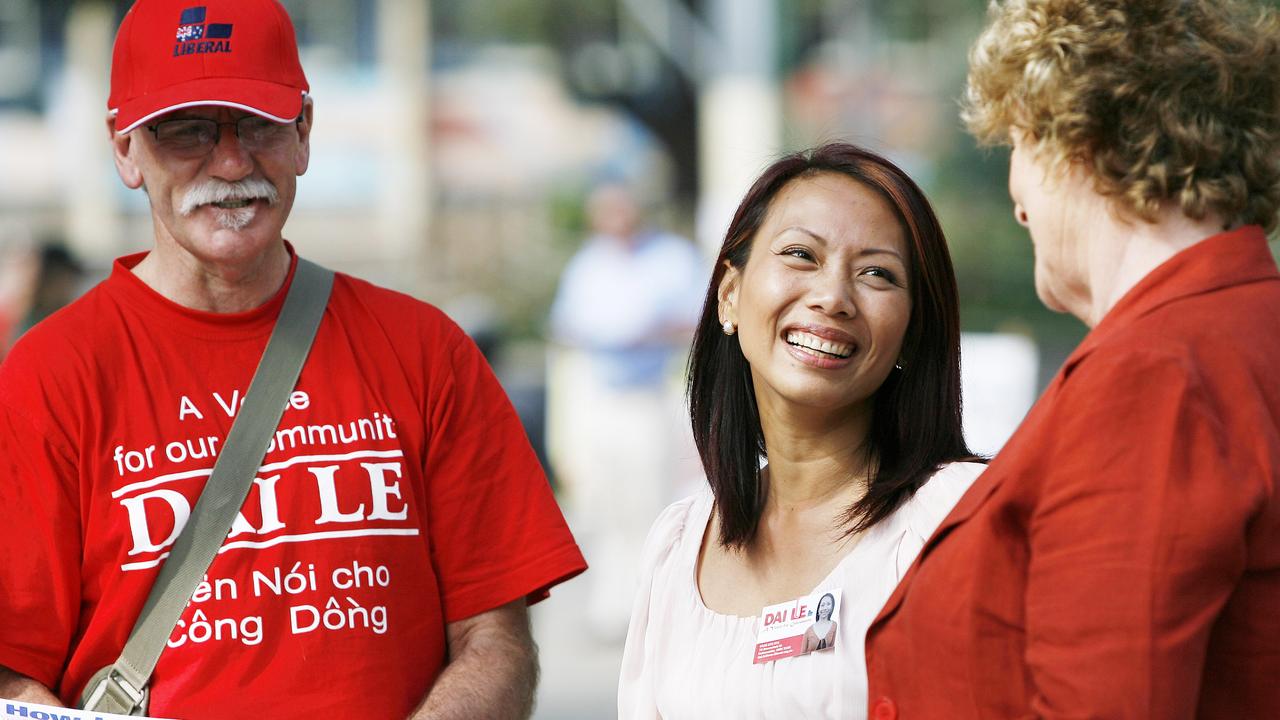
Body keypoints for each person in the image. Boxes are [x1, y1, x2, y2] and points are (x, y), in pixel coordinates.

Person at [0, 1, 586, 718]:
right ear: (124, 148)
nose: (230, 161)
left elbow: (496, 640)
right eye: (186, 131)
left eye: (256, 123)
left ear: (303, 132)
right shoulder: (45, 381)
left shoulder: (427, 352)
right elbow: (11, 676)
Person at [864, 1, 1280, 718]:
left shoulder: (1153, 374)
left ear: (1079, 139)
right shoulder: (1237, 331)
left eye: (1019, 143)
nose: (1016, 200)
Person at [618, 143, 984, 719]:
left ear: (912, 333)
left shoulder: (955, 518)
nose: (833, 297)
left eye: (876, 274)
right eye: (800, 255)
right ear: (730, 295)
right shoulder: (677, 548)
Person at [548, 182, 705, 640]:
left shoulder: (671, 257)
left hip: (649, 395)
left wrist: (649, 331)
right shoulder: (589, 264)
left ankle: (654, 602)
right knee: (605, 503)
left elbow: (700, 317)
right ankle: (614, 605)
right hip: (601, 396)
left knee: (648, 502)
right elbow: (566, 324)